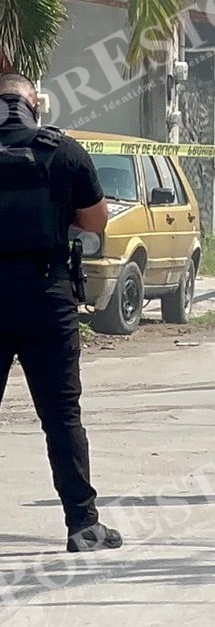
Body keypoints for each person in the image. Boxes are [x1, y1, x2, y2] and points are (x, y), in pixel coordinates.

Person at [0, 73, 121, 552]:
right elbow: (95, 222)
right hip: (46, 297)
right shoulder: (63, 151)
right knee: (61, 415)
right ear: (35, 106)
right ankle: (82, 524)